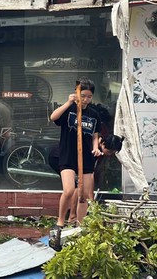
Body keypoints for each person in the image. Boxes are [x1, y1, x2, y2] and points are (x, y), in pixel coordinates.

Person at [50, 78, 102, 232]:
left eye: (89, 97)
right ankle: (60, 221)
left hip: (86, 157)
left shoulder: (94, 114)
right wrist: (68, 103)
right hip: (68, 155)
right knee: (68, 190)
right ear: (77, 94)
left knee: (84, 194)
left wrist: (95, 148)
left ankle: (80, 226)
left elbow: (95, 134)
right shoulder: (69, 109)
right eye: (83, 96)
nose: (86, 99)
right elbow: (53, 117)